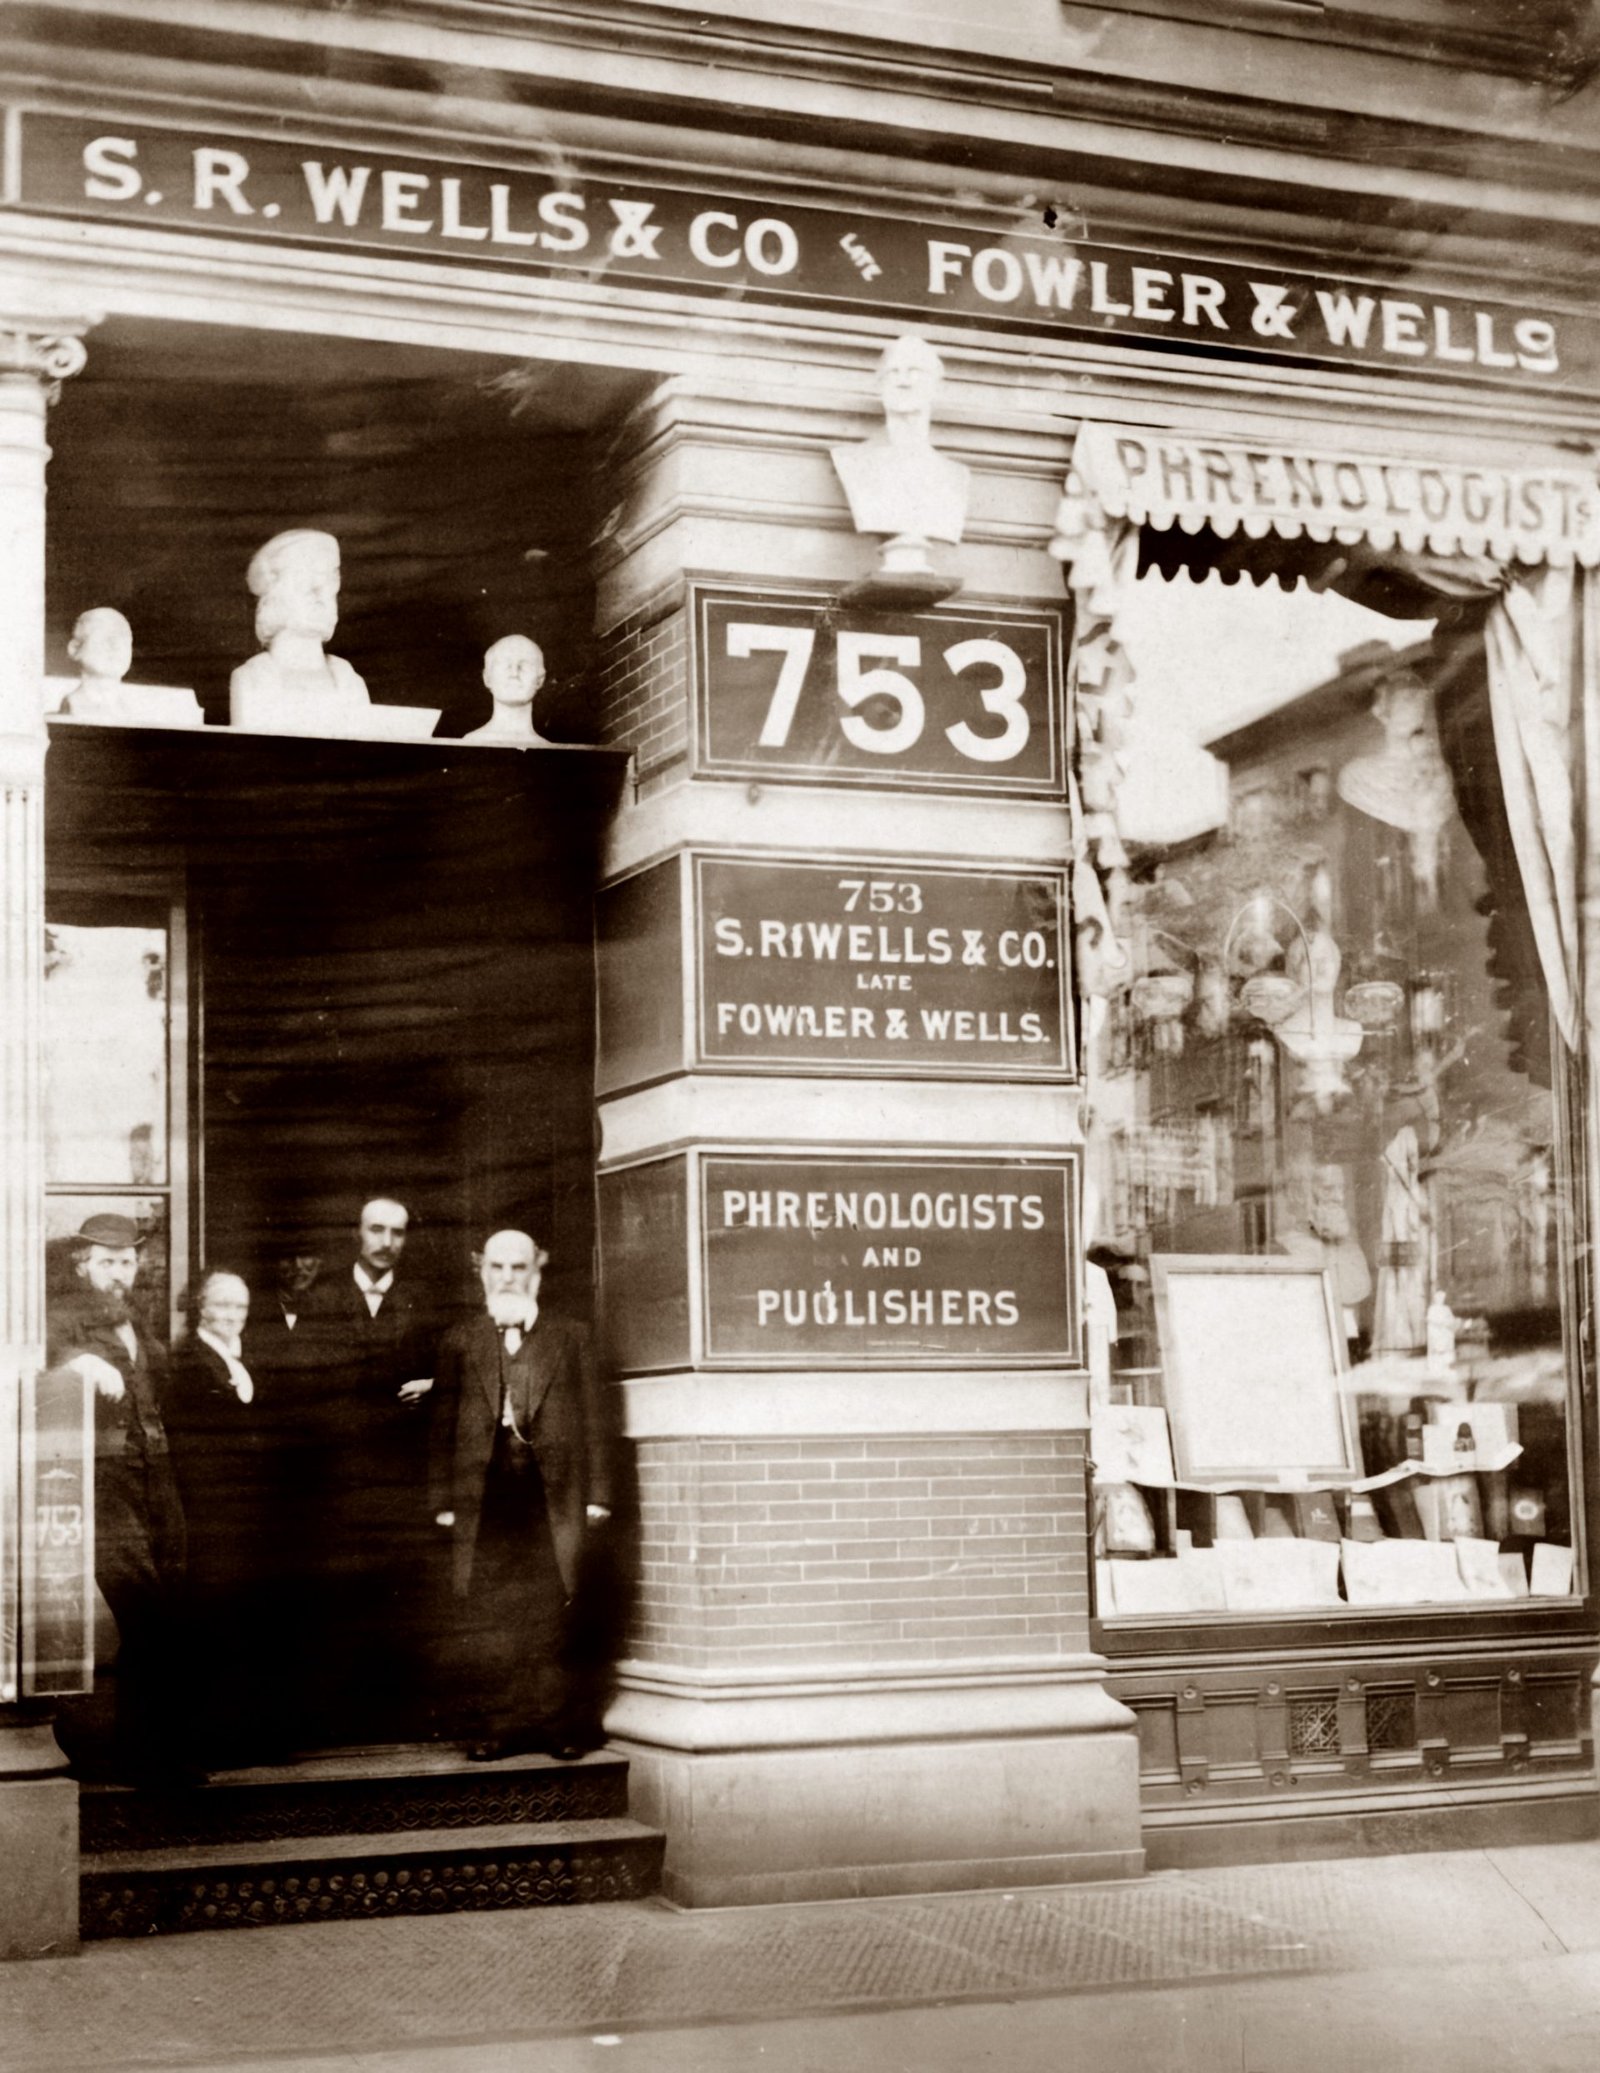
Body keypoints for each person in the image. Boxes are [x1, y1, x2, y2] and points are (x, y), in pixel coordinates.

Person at [429, 1229, 612, 1761]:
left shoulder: (571, 1336)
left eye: (518, 1267)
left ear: (538, 1270)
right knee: (492, 1613)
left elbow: (596, 1421)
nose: (507, 1277)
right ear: (480, 1270)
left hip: (552, 1499)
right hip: (485, 1502)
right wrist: (442, 1501)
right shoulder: (461, 1340)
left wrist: (598, 1493)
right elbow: (442, 1427)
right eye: (497, 1268)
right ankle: (500, 1727)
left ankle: (555, 1726)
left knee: (552, 1610)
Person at [46, 1212, 194, 1784]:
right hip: (104, 1482)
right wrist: (74, 1364)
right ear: (84, 1265)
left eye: (127, 1261)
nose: (119, 1272)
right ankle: (146, 1755)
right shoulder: (61, 1318)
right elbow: (36, 1364)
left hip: (157, 1474)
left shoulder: (137, 1320)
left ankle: (154, 1750)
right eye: (107, 1262)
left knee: (170, 1609)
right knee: (145, 1610)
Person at [298, 1195, 435, 1733]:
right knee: (340, 1594)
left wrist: (436, 1385)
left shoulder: (423, 1299)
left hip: (403, 1474)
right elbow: (309, 1386)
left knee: (398, 1592)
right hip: (341, 1474)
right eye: (376, 1230)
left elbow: (454, 1361)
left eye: (397, 1232)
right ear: (357, 1233)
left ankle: (393, 1716)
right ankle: (337, 1716)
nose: (386, 1242)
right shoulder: (321, 1299)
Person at [164, 1270, 272, 1757]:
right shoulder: (188, 1364)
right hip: (210, 1515)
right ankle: (207, 1739)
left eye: (240, 1308)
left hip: (244, 1516)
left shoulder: (244, 1360)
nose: (232, 1316)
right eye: (222, 1306)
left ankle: (241, 1733)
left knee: (244, 1621)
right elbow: (192, 1450)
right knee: (209, 1622)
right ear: (200, 1308)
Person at [829, 333, 970, 571]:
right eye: (893, 372)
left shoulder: (956, 476)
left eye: (915, 371)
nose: (904, 381)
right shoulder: (852, 461)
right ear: (879, 386)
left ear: (938, 386)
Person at [229, 527, 373, 736]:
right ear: (273, 594)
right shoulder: (252, 678)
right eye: (305, 577)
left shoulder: (349, 680)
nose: (320, 592)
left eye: (330, 580)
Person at [463, 634, 552, 747]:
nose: (514, 673)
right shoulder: (468, 744)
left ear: (540, 680)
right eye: (504, 664)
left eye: (525, 664)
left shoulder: (552, 753)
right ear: (487, 678)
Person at [61, 605, 135, 721]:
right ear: (75, 648)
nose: (116, 646)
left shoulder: (128, 711)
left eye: (124, 638)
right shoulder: (74, 703)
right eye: (105, 638)